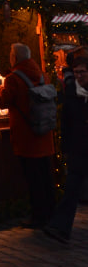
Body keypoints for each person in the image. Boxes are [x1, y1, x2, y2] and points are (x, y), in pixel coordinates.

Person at [0, 42, 56, 228]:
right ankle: (51, 213)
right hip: (44, 134)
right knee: (46, 176)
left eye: (11, 55)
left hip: (26, 137)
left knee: (33, 178)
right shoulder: (41, 74)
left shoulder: (13, 79)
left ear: (15, 58)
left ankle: (38, 217)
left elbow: (2, 102)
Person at [44, 47, 88, 244]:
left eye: (83, 72)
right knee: (71, 188)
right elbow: (67, 122)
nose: (79, 76)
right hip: (78, 148)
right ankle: (60, 227)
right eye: (77, 72)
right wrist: (66, 148)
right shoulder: (70, 92)